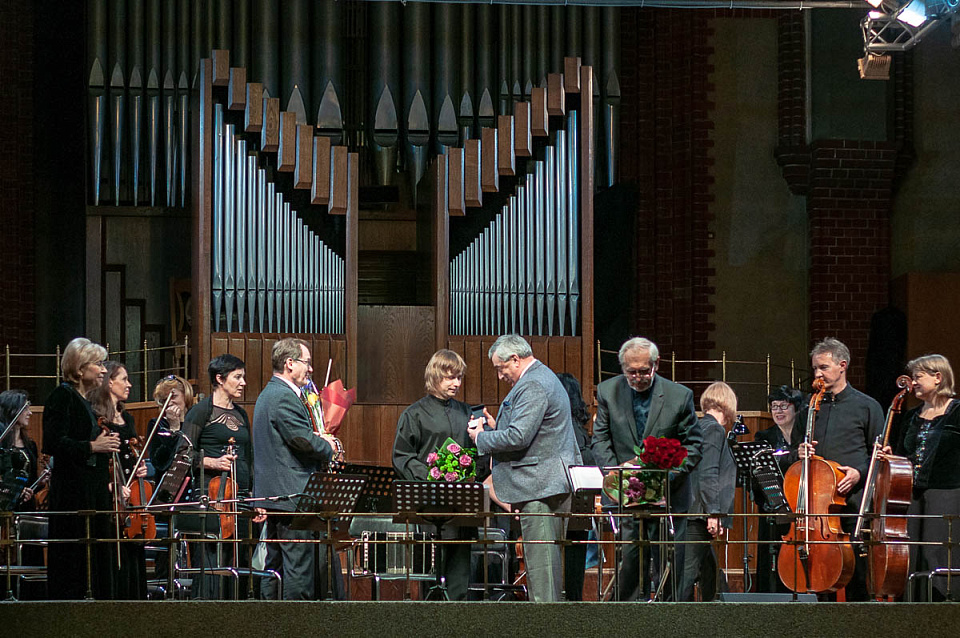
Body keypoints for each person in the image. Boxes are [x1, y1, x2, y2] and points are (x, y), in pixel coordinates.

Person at [467, 334, 581, 602]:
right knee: (546, 571)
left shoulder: (533, 385)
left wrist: (480, 437)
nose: (499, 376)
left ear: (515, 359)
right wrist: (498, 430)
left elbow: (519, 437)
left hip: (540, 488)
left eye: (500, 368)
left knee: (543, 577)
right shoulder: (542, 378)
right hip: (545, 484)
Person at [591, 337, 702, 601]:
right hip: (626, 495)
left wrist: (664, 476)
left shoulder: (679, 395)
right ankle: (628, 619)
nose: (638, 377)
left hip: (669, 495)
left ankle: (670, 620)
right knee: (630, 562)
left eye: (644, 371)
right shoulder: (608, 391)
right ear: (622, 368)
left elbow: (694, 446)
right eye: (631, 371)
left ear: (656, 365)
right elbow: (601, 439)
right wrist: (616, 470)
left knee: (669, 563)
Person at [392, 349, 488, 601]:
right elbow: (402, 456)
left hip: (462, 505)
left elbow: (482, 454)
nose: (456, 383)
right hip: (429, 502)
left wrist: (474, 466)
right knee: (430, 573)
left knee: (459, 578)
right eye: (450, 378)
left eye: (459, 378)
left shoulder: (468, 413)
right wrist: (432, 475)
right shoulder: (414, 414)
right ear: (434, 376)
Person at [793, 337, 883, 600]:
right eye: (815, 369)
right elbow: (789, 453)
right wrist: (797, 453)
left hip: (852, 500)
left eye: (824, 368)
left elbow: (880, 457)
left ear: (842, 365)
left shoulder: (867, 406)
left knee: (856, 568)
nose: (818, 374)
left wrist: (859, 473)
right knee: (821, 571)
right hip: (817, 504)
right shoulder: (808, 409)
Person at [253, 338, 340, 600]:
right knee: (298, 571)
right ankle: (296, 624)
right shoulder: (282, 396)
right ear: (290, 364)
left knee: (276, 568)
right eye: (307, 362)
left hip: (279, 498)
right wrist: (328, 445)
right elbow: (301, 440)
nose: (311, 369)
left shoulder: (270, 393)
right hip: (293, 498)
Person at [42, 337, 122, 599]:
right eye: (97, 364)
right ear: (79, 368)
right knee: (77, 558)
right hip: (74, 493)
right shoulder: (62, 396)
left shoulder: (84, 401)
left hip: (91, 489)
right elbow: (53, 443)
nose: (102, 369)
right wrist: (93, 447)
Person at [180, 355, 265, 599]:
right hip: (211, 496)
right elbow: (183, 454)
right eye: (237, 377)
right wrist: (212, 462)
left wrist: (254, 498)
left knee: (240, 560)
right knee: (211, 558)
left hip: (238, 499)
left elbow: (249, 458)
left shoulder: (241, 414)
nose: (243, 383)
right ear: (219, 378)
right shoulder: (200, 412)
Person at [894, 354, 960, 600]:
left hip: (947, 491)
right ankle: (914, 602)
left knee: (939, 549)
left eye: (918, 376)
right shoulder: (911, 415)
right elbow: (903, 452)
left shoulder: (957, 412)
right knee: (913, 550)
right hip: (912, 492)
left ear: (938, 377)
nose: (913, 382)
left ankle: (945, 604)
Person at [87, 361, 148, 600]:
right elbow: (97, 462)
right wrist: (110, 485)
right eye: (124, 379)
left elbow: (131, 454)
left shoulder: (128, 418)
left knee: (134, 545)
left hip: (131, 495)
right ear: (109, 382)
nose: (129, 384)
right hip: (111, 493)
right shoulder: (95, 419)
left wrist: (140, 467)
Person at [679, 381, 737, 601]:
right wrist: (714, 512)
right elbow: (708, 473)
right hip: (700, 513)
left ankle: (712, 621)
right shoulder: (713, 429)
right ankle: (674, 622)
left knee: (710, 574)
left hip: (693, 510)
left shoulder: (699, 427)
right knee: (688, 574)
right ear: (728, 404)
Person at [754, 385, 804, 592]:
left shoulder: (806, 436)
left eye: (784, 406)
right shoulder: (763, 437)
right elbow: (764, 468)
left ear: (796, 409)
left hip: (801, 504)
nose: (778, 411)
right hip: (773, 505)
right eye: (774, 406)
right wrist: (794, 457)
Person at [556, 372, 595, 601]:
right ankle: (573, 603)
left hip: (564, 498)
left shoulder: (562, 428)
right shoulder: (579, 429)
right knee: (575, 560)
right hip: (582, 500)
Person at [146, 374, 196, 479]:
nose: (169, 402)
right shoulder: (157, 424)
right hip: (168, 483)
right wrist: (173, 428)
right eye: (164, 400)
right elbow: (160, 463)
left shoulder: (195, 423)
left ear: (185, 395)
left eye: (173, 396)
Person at [0, 390, 41, 511]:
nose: (30, 413)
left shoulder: (30, 445)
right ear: (12, 410)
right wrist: (15, 490)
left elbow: (31, 480)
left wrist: (40, 482)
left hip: (25, 507)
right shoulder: (2, 442)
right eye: (25, 409)